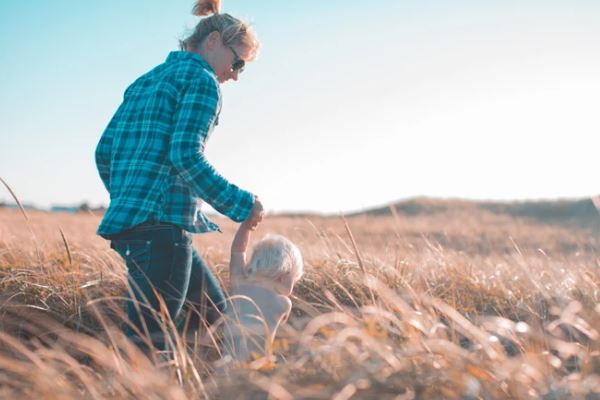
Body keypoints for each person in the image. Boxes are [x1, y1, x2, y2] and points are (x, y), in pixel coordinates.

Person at [94, 0, 263, 354]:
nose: (234, 75)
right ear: (213, 41)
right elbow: (186, 155)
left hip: (134, 225)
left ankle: (198, 384)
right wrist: (242, 204)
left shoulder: (145, 80)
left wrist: (131, 198)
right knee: (147, 348)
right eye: (238, 64)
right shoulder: (203, 81)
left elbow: (104, 152)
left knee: (215, 315)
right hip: (162, 230)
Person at [223, 221, 303, 361]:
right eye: (294, 279)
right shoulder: (283, 303)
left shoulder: (239, 283)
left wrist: (246, 227)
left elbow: (238, 250)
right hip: (257, 367)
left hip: (226, 365)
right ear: (284, 278)